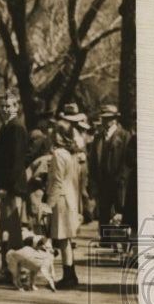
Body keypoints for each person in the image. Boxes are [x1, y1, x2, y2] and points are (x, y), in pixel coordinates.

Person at [0, 89, 28, 276]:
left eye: (9, 106)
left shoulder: (16, 128)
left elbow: (16, 161)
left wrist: (7, 186)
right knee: (4, 230)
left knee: (13, 231)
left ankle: (17, 270)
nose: (5, 109)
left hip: (13, 188)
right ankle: (8, 268)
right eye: (3, 106)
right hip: (6, 189)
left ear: (16, 106)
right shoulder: (6, 126)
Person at [42, 122, 82, 289]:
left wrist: (48, 205)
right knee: (66, 239)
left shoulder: (58, 154)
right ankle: (70, 274)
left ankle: (69, 276)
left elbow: (57, 182)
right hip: (70, 198)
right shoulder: (71, 154)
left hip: (61, 200)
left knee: (63, 239)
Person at [88, 104, 132, 249]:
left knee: (121, 209)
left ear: (114, 119)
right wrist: (93, 180)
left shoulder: (124, 136)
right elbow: (93, 160)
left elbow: (127, 160)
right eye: (103, 119)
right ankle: (105, 240)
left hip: (119, 181)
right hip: (103, 181)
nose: (104, 122)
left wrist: (122, 178)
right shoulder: (98, 137)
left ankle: (123, 241)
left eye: (108, 119)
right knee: (104, 210)